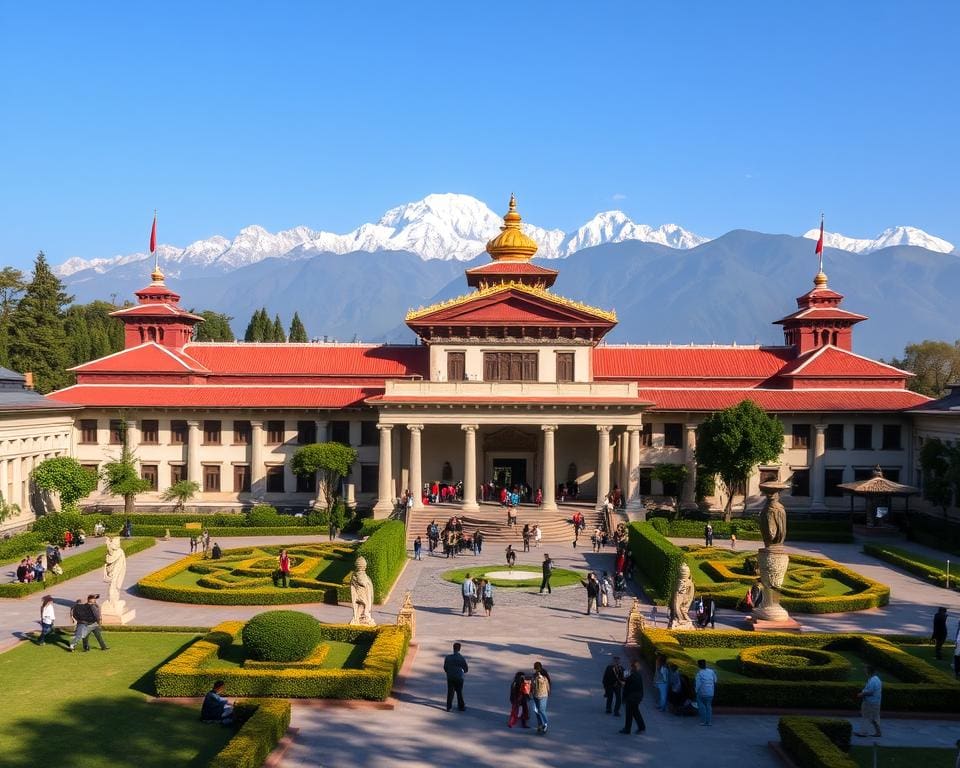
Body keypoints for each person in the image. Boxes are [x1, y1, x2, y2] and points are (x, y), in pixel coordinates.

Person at [619, 659, 646, 734]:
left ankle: (627, 729)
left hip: (631, 697)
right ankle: (641, 726)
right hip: (638, 696)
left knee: (629, 713)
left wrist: (624, 698)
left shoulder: (630, 675)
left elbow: (625, 686)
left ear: (632, 667)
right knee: (636, 711)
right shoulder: (638, 674)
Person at [855, 664, 882, 737]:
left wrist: (861, 694)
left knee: (865, 717)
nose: (864, 670)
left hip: (870, 702)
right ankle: (878, 732)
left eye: (865, 669)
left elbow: (870, 692)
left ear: (869, 671)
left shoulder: (873, 680)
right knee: (875, 718)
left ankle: (863, 733)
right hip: (876, 702)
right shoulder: (876, 679)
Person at [443, 642, 468, 711]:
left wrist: (449, 672)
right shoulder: (461, 658)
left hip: (450, 677)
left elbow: (445, 667)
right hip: (459, 677)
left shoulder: (448, 657)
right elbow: (466, 669)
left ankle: (449, 707)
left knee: (450, 692)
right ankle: (461, 707)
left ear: (453, 648)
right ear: (459, 649)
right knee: (459, 692)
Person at [695, 659, 717, 726]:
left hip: (702, 692)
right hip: (710, 692)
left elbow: (698, 684)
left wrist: (696, 691)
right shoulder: (711, 671)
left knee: (702, 706)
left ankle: (703, 721)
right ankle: (709, 721)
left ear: (699, 665)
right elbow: (715, 680)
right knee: (709, 706)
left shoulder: (699, 673)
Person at [531, 661, 551, 734]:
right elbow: (532, 684)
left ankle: (545, 724)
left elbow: (547, 685)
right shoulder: (534, 675)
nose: (536, 670)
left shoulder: (543, 675)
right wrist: (531, 692)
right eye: (535, 669)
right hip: (535, 695)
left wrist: (548, 693)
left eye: (536, 669)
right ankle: (539, 724)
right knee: (536, 710)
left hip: (543, 696)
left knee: (541, 710)